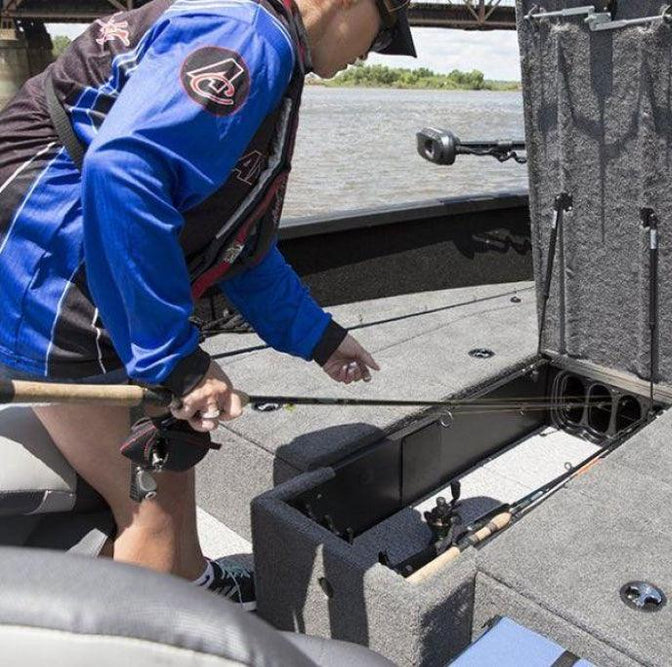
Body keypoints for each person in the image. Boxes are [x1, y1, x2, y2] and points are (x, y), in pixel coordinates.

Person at [0, 0, 416, 611]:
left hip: (68, 275)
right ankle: (161, 632)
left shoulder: (258, 37)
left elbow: (236, 242)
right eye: (383, 33)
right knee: (155, 501)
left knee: (170, 461)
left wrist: (320, 338)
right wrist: (180, 363)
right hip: (52, 284)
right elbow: (125, 172)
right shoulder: (250, 36)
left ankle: (195, 580)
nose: (370, 54)